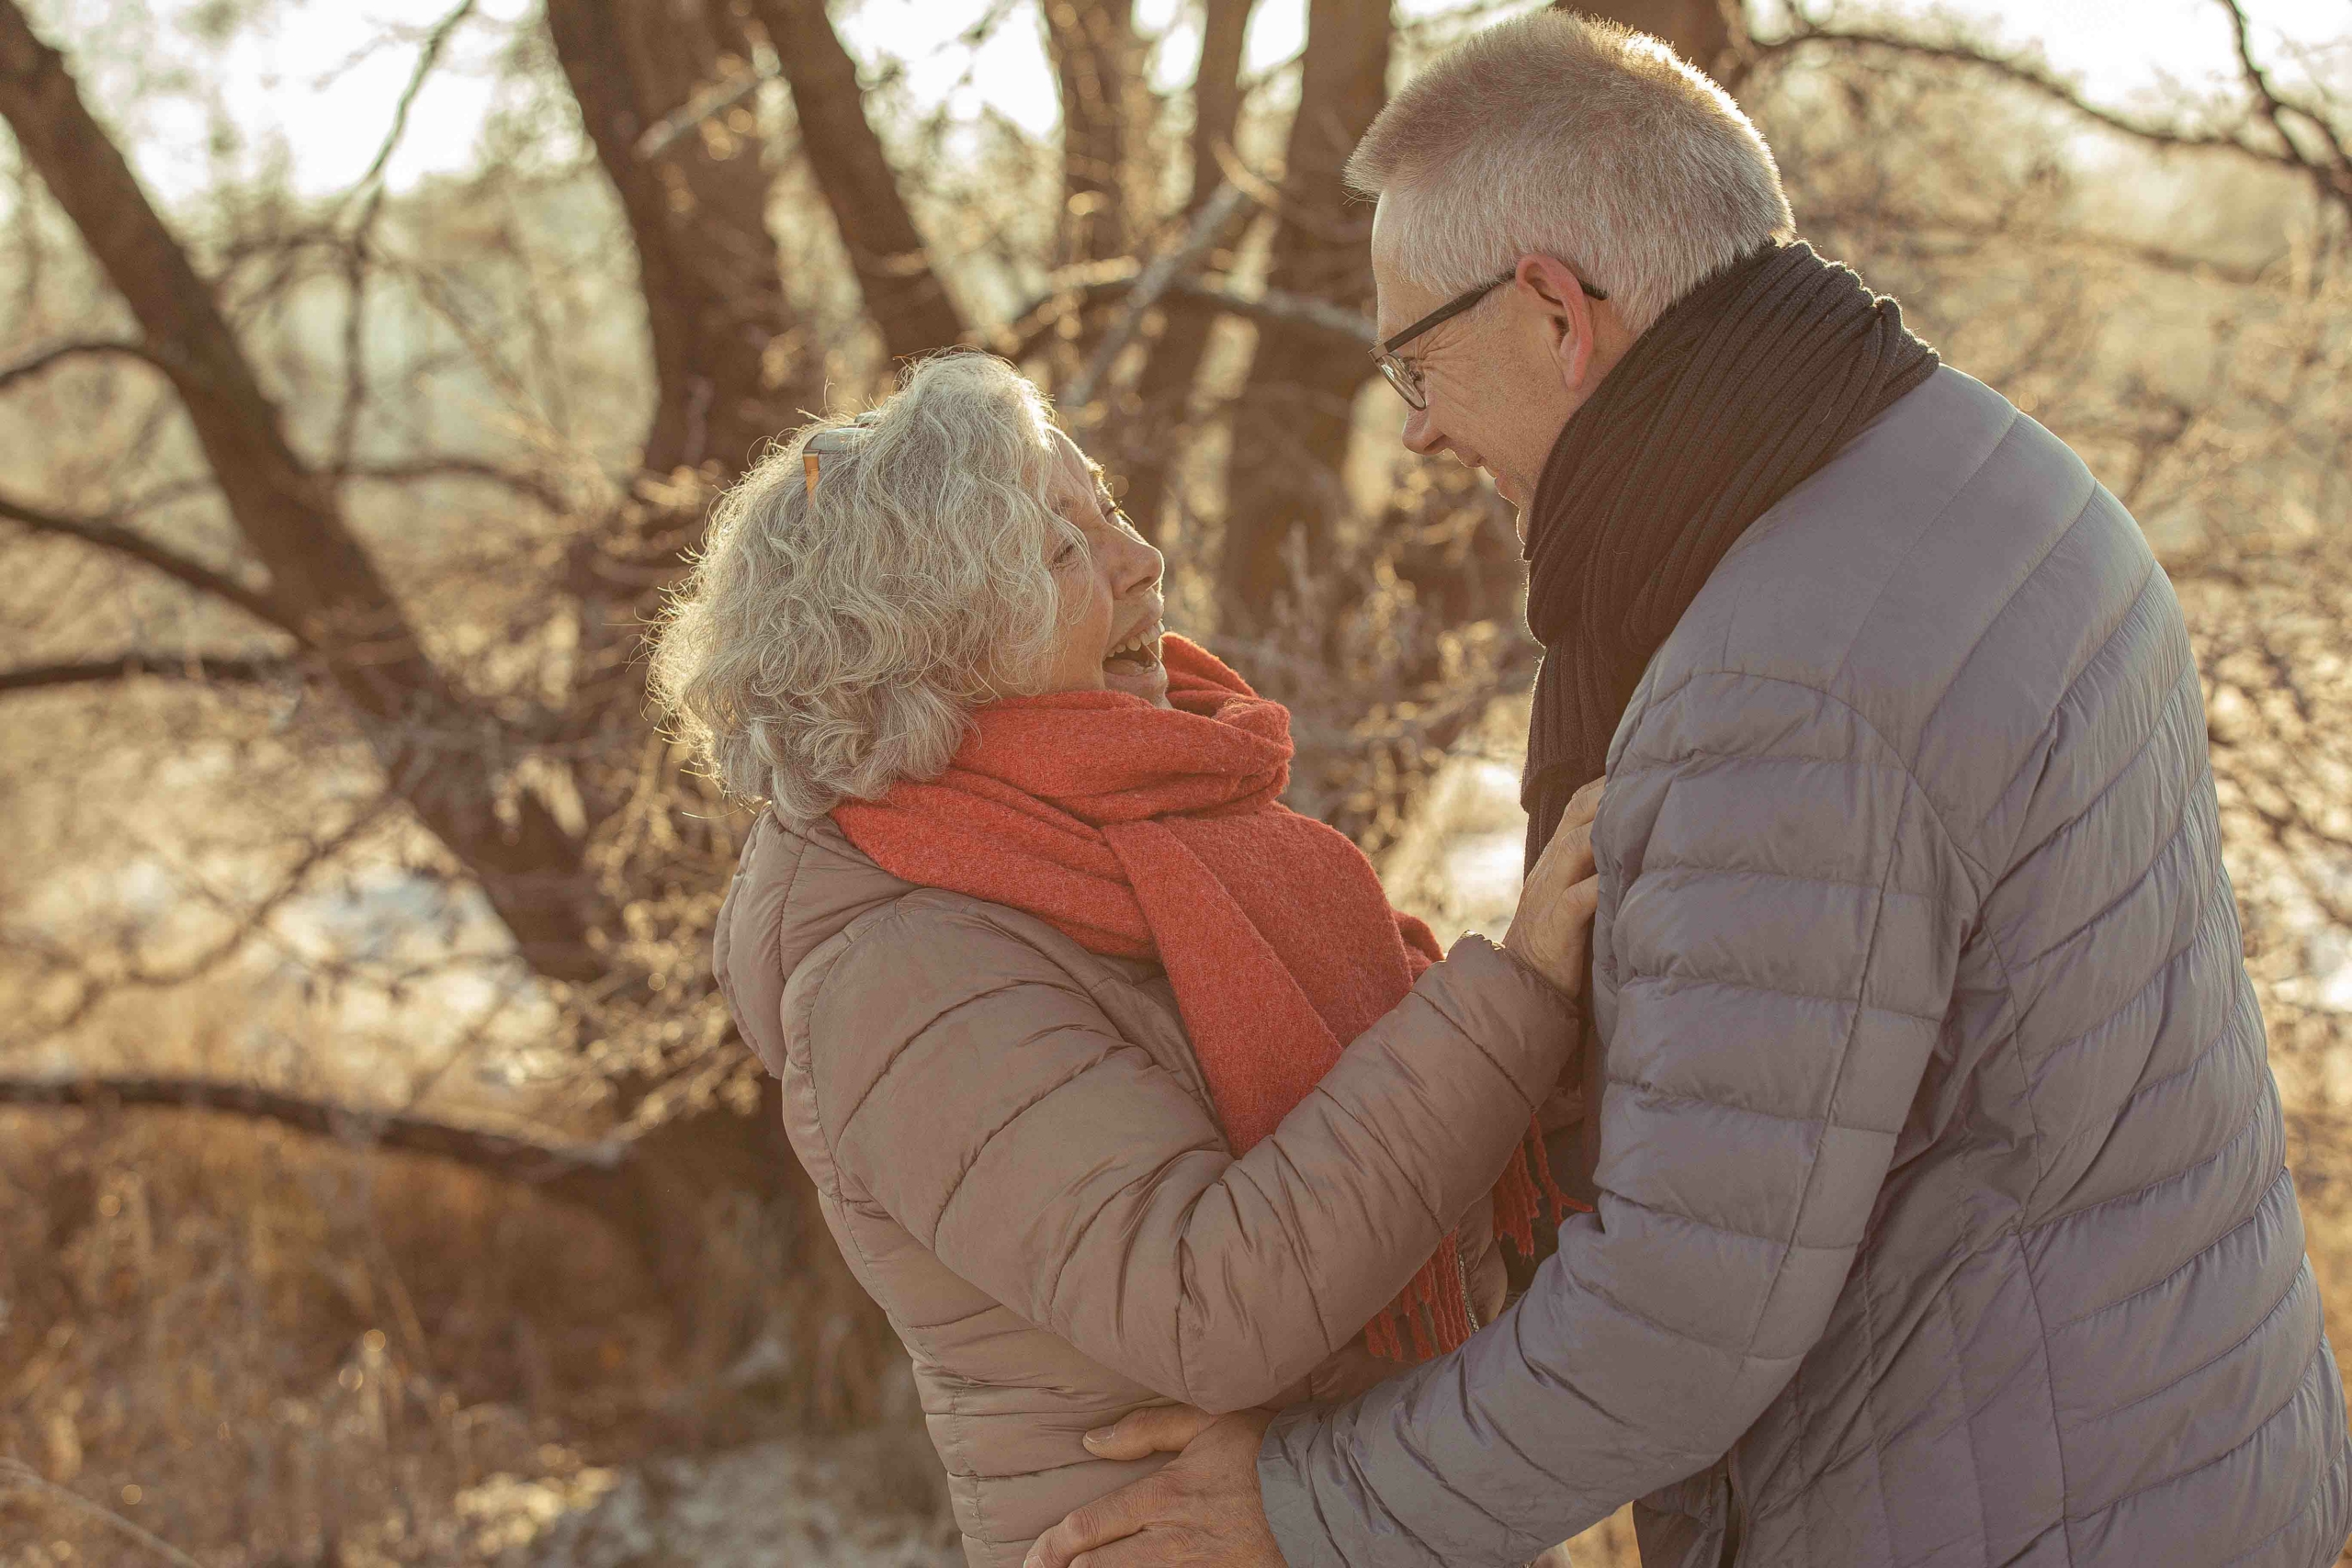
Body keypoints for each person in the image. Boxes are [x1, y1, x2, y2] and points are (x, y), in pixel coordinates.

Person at [1027, 14, 2352, 1568]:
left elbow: (1679, 1312)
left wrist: (1299, 1504)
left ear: (1551, 311)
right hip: (2178, 1450)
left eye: (1418, 360)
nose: (1421, 427)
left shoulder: (1777, 682)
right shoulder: (1974, 466)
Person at [649, 352, 1602, 1568]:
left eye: (1105, 511)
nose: (1140, 564)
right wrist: (1509, 999)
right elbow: (1214, 1304)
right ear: (930, 649)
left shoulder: (1161, 847)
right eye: (1059, 554)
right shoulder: (902, 974)